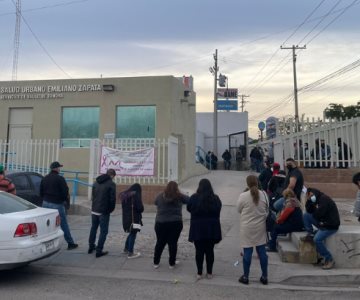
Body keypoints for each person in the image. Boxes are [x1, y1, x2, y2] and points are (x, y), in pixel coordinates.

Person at [187, 179, 222, 280]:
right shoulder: (215, 198)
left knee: (199, 250)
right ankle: (210, 273)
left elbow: (189, 208)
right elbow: (219, 209)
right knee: (210, 250)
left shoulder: (194, 197)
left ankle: (199, 272)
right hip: (211, 228)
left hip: (198, 228)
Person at [237, 175, 268, 285]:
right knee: (262, 252)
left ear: (247, 183)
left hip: (247, 227)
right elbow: (267, 209)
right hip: (260, 227)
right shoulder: (264, 194)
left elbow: (238, 209)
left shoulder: (243, 195)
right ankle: (264, 276)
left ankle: (246, 277)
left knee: (247, 252)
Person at [40, 161, 78, 250]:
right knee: (63, 223)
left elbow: (41, 191)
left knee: (46, 224)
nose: (60, 169)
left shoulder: (45, 178)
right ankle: (70, 243)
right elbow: (65, 192)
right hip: (56, 204)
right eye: (59, 168)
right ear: (56, 169)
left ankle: (45, 244)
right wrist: (64, 201)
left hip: (45, 203)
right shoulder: (60, 179)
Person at [301, 188, 340, 270]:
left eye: (311, 195)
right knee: (306, 215)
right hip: (323, 222)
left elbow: (319, 213)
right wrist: (309, 202)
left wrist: (315, 212)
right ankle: (310, 233)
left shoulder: (324, 199)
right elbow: (309, 210)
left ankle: (329, 259)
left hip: (330, 225)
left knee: (317, 240)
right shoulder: (317, 199)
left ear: (314, 193)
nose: (311, 196)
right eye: (309, 196)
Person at [153, 181, 189, 269]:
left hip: (160, 222)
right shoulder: (179, 196)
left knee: (160, 242)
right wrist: (180, 194)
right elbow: (189, 200)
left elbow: (155, 202)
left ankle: (156, 262)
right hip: (175, 223)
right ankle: (171, 263)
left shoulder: (160, 195)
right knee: (173, 243)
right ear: (177, 188)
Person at [88, 169, 116, 258]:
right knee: (103, 231)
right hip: (104, 211)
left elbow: (93, 195)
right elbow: (112, 199)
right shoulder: (111, 184)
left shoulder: (96, 182)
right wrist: (111, 209)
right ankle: (99, 250)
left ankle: (91, 247)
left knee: (93, 228)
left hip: (94, 209)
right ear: (112, 175)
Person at [120, 183, 144, 259]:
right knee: (133, 234)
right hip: (134, 218)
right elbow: (140, 208)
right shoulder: (135, 195)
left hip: (126, 218)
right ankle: (130, 252)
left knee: (131, 232)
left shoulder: (125, 195)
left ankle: (126, 249)